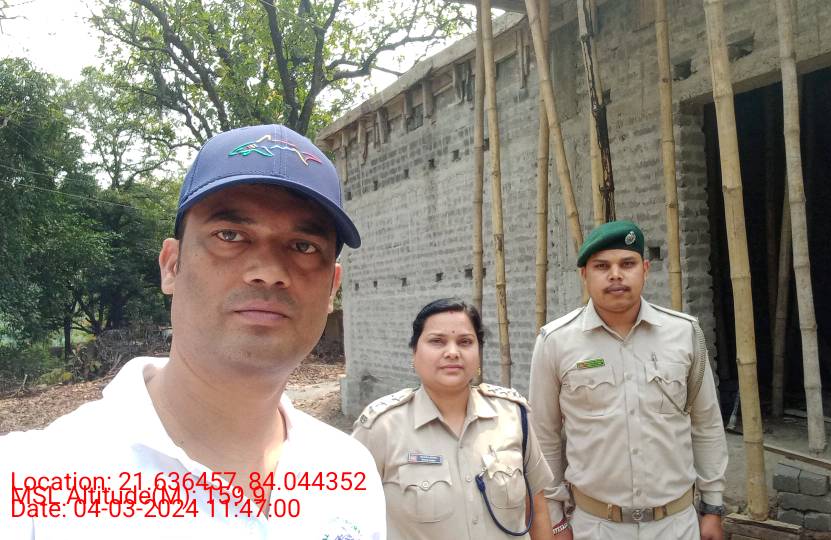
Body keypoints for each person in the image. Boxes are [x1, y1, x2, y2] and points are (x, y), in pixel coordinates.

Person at [0, 124, 385, 539]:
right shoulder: (32, 484)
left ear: (332, 288)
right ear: (171, 265)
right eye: (230, 236)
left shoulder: (350, 475)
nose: (269, 271)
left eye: (303, 246)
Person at [528, 220, 728, 540]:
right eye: (602, 266)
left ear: (645, 269)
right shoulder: (555, 342)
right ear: (584, 275)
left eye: (627, 264)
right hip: (595, 527)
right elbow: (543, 437)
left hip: (676, 525)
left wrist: (713, 508)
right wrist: (556, 521)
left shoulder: (684, 333)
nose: (616, 275)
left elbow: (706, 424)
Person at [352, 298, 555, 539]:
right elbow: (347, 514)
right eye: (437, 341)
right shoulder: (380, 427)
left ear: (478, 353)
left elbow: (537, 509)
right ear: (414, 353)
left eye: (465, 342)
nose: (452, 352)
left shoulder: (513, 415)